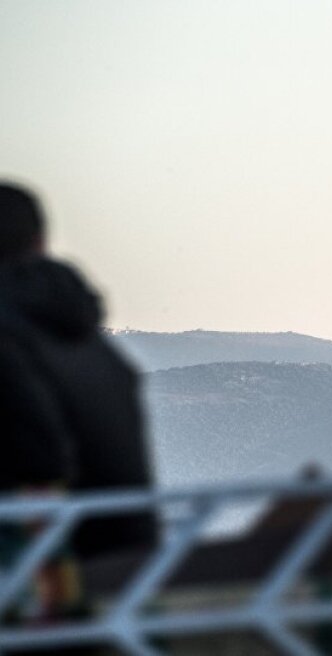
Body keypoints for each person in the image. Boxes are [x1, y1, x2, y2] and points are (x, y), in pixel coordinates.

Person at [0, 182, 158, 579]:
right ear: (40, 241)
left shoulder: (10, 338)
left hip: (57, 578)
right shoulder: (88, 341)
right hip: (133, 559)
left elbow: (39, 461)